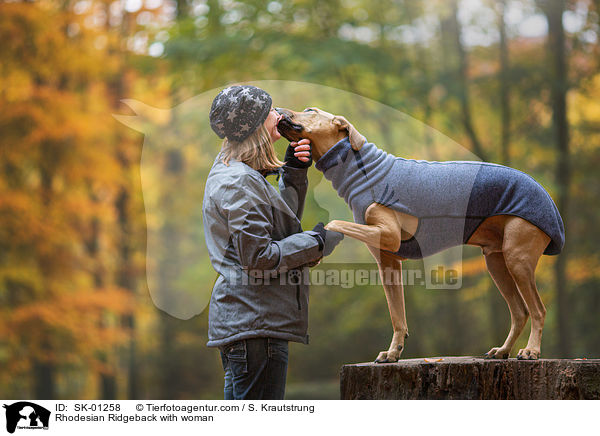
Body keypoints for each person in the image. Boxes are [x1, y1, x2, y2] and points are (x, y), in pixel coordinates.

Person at [202, 85, 344, 400]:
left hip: (251, 324)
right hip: (255, 328)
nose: (279, 117)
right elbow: (260, 259)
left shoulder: (237, 174)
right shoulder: (239, 184)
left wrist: (293, 173)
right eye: (271, 114)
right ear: (254, 127)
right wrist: (317, 242)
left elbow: (279, 229)